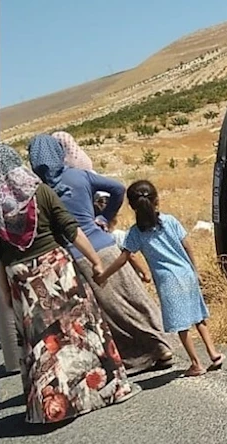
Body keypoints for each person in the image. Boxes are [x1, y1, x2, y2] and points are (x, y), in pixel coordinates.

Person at [0, 144, 140, 424]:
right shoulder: (40, 190)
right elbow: (69, 228)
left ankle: (50, 409)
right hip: (58, 269)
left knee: (42, 344)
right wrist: (96, 262)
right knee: (81, 331)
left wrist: (6, 295)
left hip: (22, 279)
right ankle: (107, 390)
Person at [27, 134, 174, 374]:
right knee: (134, 297)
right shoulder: (78, 175)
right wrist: (103, 218)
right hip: (106, 246)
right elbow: (117, 188)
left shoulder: (40, 191)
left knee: (111, 311)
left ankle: (141, 355)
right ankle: (162, 345)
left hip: (79, 256)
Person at [95, 180, 225, 377]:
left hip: (167, 281)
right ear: (157, 201)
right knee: (198, 317)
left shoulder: (135, 233)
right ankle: (213, 354)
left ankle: (196, 363)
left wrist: (103, 275)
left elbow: (123, 258)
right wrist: (194, 269)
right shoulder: (170, 221)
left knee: (182, 326)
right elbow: (187, 245)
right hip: (186, 273)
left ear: (131, 206)